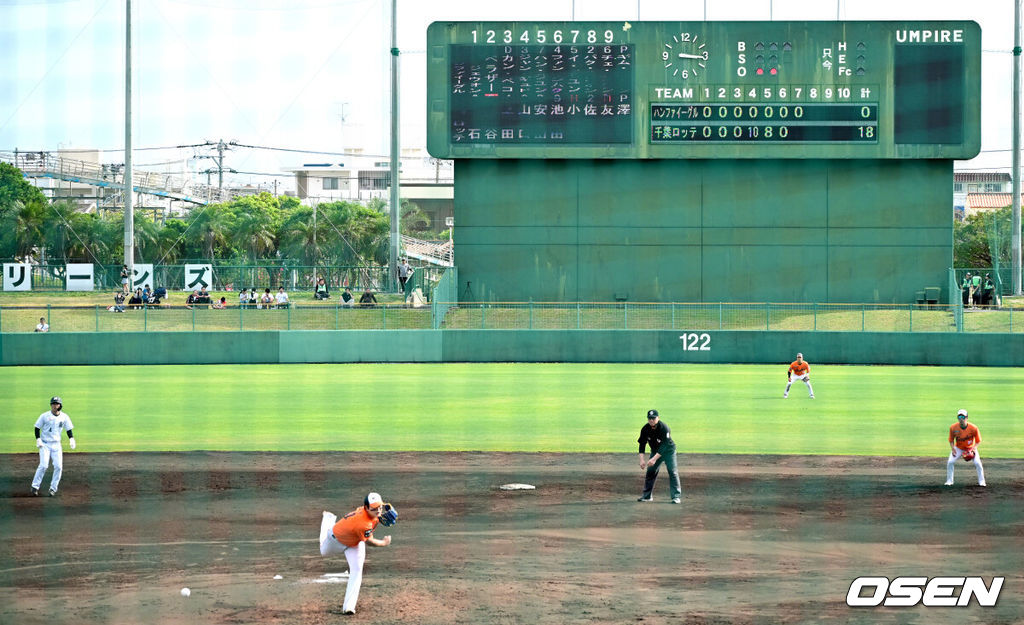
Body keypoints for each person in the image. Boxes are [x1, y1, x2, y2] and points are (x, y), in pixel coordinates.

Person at [318, 492, 395, 615]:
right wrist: (384, 543)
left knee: (357, 570)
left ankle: (349, 607)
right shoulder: (363, 524)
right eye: (374, 508)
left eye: (379, 507)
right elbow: (370, 542)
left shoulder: (370, 514)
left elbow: (372, 524)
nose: (378, 510)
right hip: (335, 540)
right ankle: (328, 521)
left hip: (354, 543)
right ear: (366, 508)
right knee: (323, 551)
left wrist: (377, 517)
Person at [32, 396, 76, 496]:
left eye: (56, 404)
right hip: (45, 444)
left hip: (56, 445)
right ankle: (35, 486)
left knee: (58, 467)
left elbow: (68, 429)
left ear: (60, 405)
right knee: (43, 465)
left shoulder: (64, 417)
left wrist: (71, 439)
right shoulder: (44, 416)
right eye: (53, 404)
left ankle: (53, 488)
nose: (54, 406)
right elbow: (37, 427)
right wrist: (38, 439)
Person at [637, 409, 681, 504]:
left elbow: (664, 446)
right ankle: (647, 496)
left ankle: (676, 497)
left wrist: (653, 459)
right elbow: (642, 444)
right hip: (655, 451)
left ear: (658, 418)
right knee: (651, 471)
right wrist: (641, 460)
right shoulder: (645, 429)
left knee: (672, 472)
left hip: (669, 452)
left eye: (653, 418)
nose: (651, 420)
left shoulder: (664, 428)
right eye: (649, 418)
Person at [946, 409, 985, 487]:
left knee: (978, 463)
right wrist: (953, 449)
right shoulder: (953, 427)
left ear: (966, 417)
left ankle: (982, 482)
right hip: (958, 448)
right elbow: (951, 440)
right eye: (959, 416)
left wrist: (974, 448)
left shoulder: (973, 428)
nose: (961, 419)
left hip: (970, 448)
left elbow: (978, 440)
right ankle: (949, 481)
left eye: (963, 417)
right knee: (950, 462)